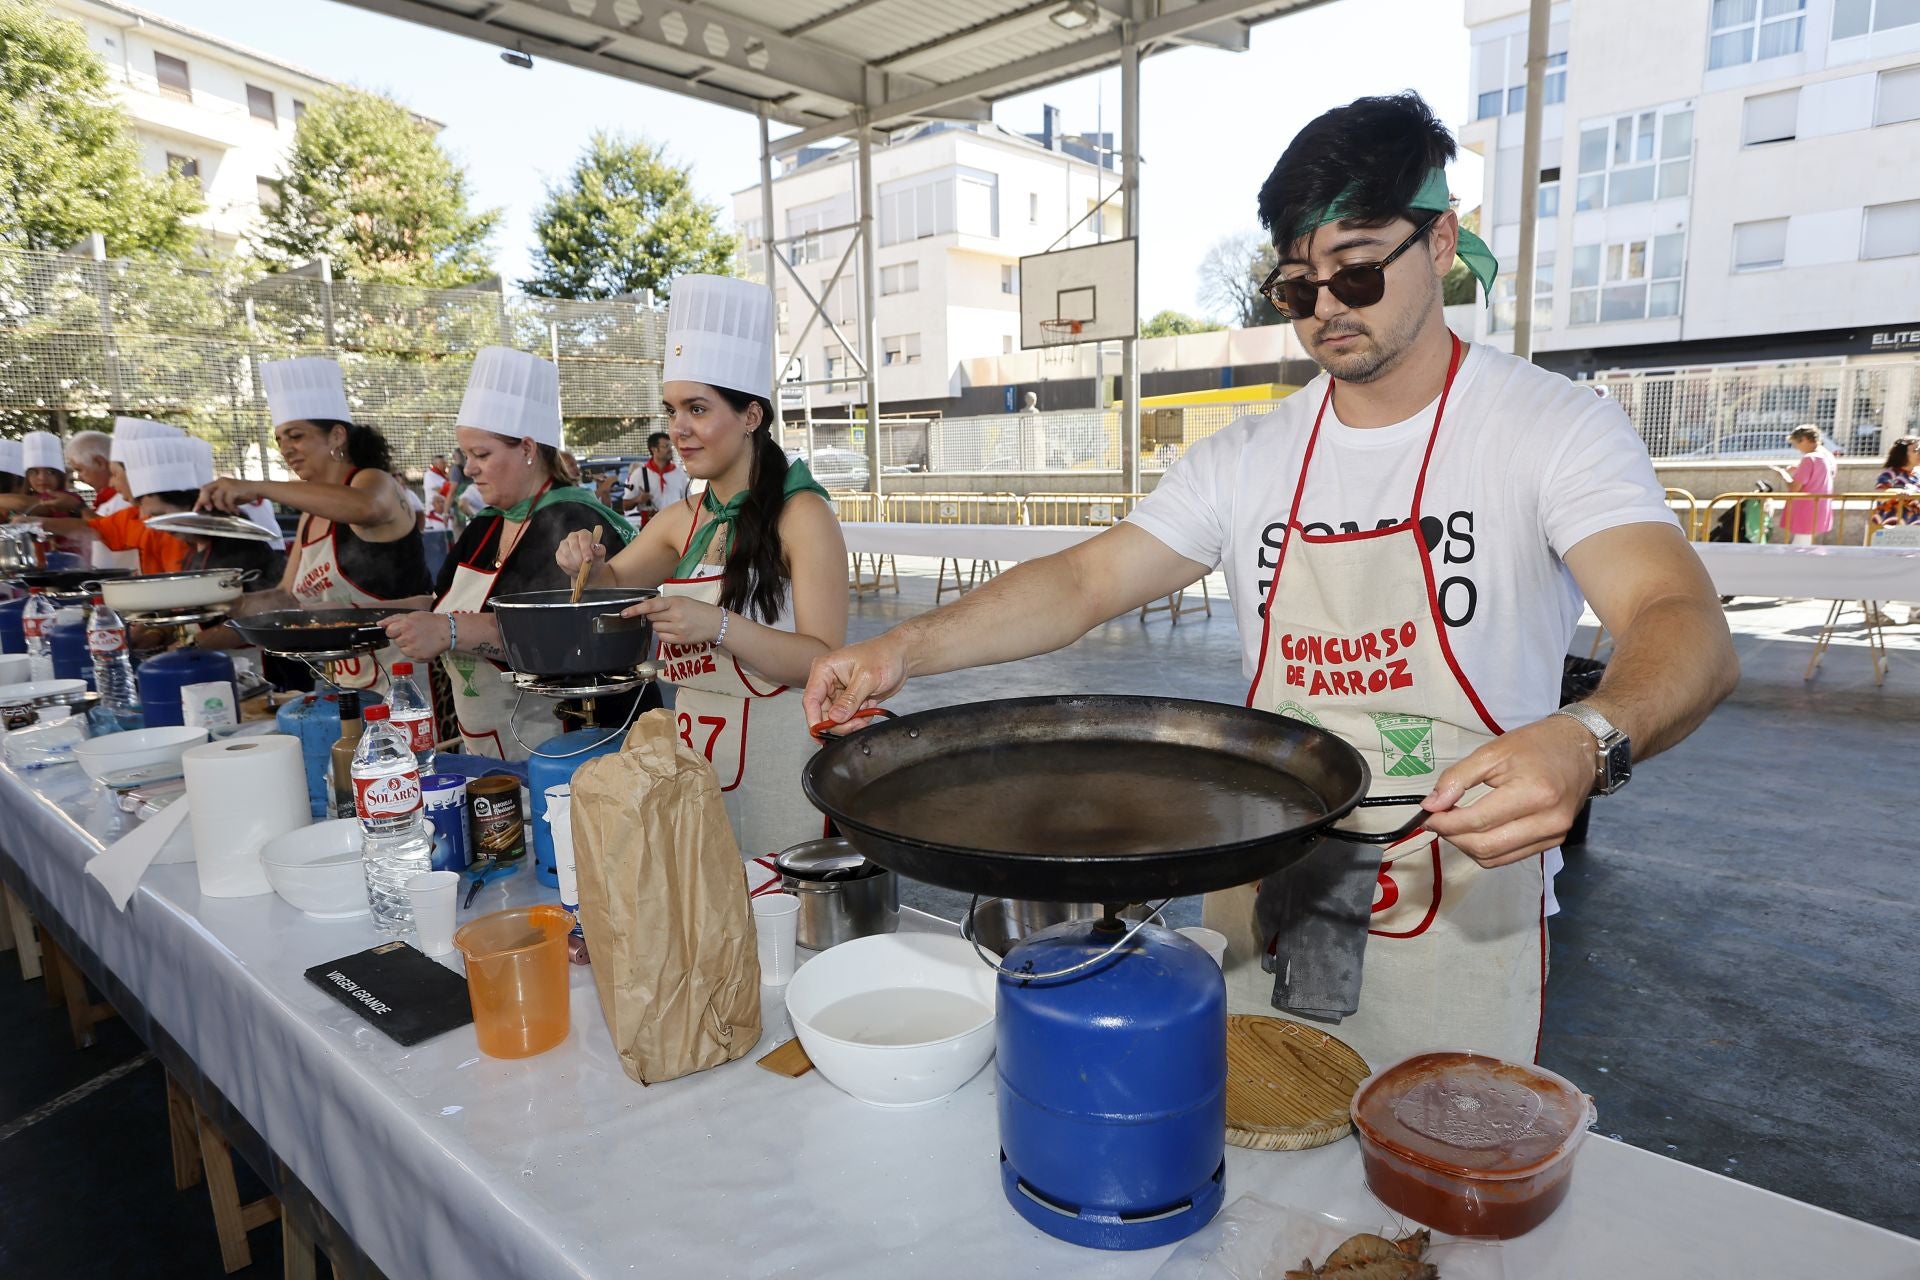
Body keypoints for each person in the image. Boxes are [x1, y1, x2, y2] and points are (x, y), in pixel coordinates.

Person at [804, 93, 1737, 1068]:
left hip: (1462, 891)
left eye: (1360, 269)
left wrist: (1587, 740)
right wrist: (901, 646)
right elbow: (1085, 580)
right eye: (1297, 286)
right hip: (1267, 876)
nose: (1329, 306)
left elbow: (1682, 622)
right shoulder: (1251, 457)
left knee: (1435, 1188)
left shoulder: (1549, 428)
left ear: (1443, 239)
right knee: (1252, 1163)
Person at [557, 275, 848, 859]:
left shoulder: (803, 515)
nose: (678, 429)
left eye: (697, 409)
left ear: (751, 416)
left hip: (783, 759)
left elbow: (824, 661)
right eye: (672, 410)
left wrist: (714, 626)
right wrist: (584, 559)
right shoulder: (682, 518)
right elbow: (612, 583)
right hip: (696, 766)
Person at [380, 348, 634, 760]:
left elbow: (575, 638)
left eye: (482, 455)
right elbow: (441, 604)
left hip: (568, 749)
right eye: (465, 456)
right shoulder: (485, 525)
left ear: (529, 449)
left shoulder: (577, 521)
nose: (468, 470)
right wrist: (376, 617)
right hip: (486, 744)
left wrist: (453, 631)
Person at [197, 357, 437, 711]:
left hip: (404, 676)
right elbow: (286, 598)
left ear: (337, 436)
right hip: (344, 679)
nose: (286, 448)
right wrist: (221, 602)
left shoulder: (373, 482)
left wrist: (258, 486)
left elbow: (367, 507)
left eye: (296, 436)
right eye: (280, 439)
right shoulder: (312, 514)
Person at [1774, 424, 1835, 546]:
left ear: (1805, 440)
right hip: (1821, 507)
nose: (1797, 448)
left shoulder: (1809, 459)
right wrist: (1799, 468)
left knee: (1800, 546)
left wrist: (1783, 474)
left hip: (1805, 509)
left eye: (1797, 444)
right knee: (1805, 544)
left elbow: (1794, 488)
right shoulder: (1828, 456)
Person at [625, 431, 688, 526]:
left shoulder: (679, 473)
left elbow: (689, 502)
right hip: (650, 529)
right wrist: (638, 499)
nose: (670, 449)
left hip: (675, 527)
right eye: (666, 446)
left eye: (670, 446)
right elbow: (625, 505)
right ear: (654, 449)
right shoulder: (639, 474)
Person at [421, 453, 452, 578]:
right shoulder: (430, 475)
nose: (444, 464)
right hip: (435, 517)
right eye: (441, 462)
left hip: (446, 516)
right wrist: (453, 485)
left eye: (445, 462)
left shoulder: (443, 476)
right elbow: (438, 490)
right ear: (434, 464)